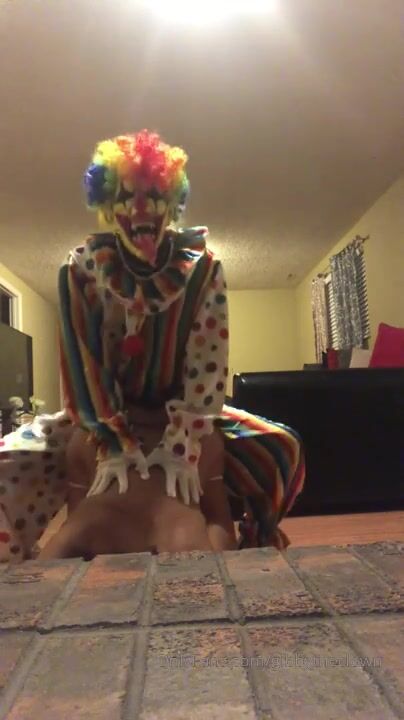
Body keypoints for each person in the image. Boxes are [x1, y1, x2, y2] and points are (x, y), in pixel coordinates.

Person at [0, 130, 305, 562]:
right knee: (8, 461)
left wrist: (184, 442)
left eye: (155, 196)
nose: (141, 208)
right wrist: (111, 439)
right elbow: (83, 362)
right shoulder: (80, 269)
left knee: (283, 447)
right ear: (108, 206)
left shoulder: (203, 269)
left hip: (184, 411)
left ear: (173, 202)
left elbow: (208, 360)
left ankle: (257, 539)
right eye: (126, 196)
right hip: (101, 411)